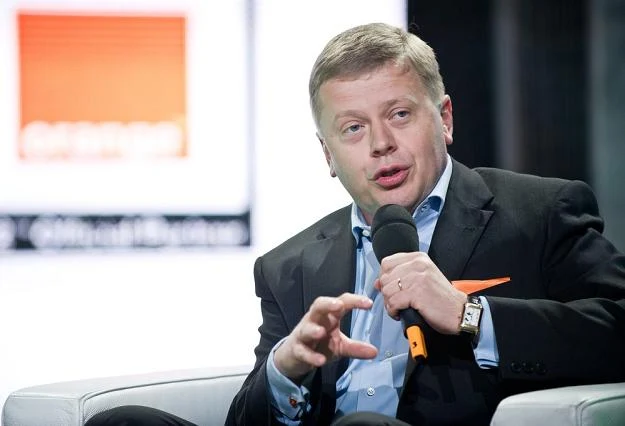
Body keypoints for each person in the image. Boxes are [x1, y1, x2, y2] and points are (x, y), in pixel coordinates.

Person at [86, 22, 625, 426]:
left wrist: (470, 316)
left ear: (445, 118)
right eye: (352, 128)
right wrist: (286, 369)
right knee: (122, 423)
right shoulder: (289, 265)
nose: (380, 144)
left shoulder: (539, 212)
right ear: (328, 154)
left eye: (399, 115)